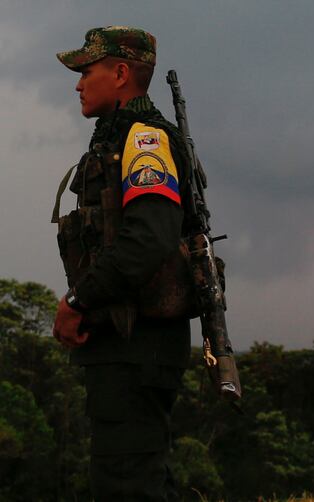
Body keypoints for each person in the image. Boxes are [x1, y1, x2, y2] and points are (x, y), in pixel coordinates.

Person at [52, 26, 193, 500]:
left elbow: (149, 239)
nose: (77, 84)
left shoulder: (144, 140)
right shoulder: (118, 139)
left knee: (126, 487)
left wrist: (77, 300)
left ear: (119, 73)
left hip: (138, 345)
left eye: (85, 71)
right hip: (129, 344)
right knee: (141, 481)